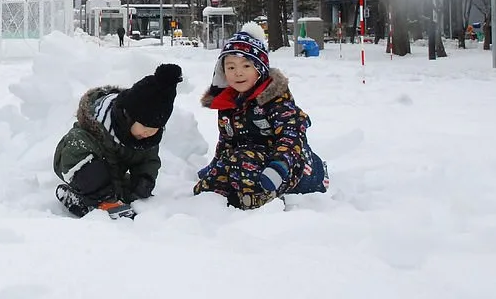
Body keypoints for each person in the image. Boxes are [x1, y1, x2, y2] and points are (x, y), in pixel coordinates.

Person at [193, 22, 329, 210]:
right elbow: (227, 140)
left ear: (259, 68)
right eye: (231, 67)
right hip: (247, 158)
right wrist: (217, 166)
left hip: (288, 164)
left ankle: (261, 201)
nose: (238, 73)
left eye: (246, 65)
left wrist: (279, 166)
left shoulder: (275, 100)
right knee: (211, 184)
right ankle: (218, 202)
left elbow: (291, 136)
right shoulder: (229, 103)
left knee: (243, 164)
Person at [52, 63, 183, 219]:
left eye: (155, 128)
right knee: (87, 166)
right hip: (79, 167)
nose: (149, 132)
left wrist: (144, 179)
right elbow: (73, 152)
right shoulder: (95, 127)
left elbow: (148, 160)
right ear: (128, 117)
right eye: (145, 126)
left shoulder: (145, 138)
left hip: (113, 175)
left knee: (126, 189)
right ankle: (99, 200)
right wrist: (104, 193)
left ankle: (99, 200)